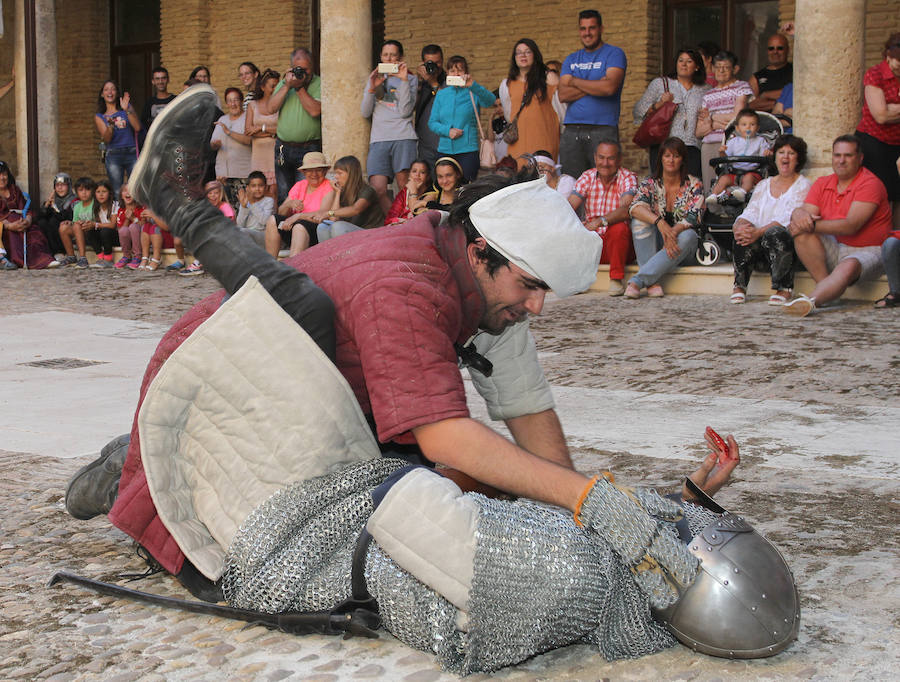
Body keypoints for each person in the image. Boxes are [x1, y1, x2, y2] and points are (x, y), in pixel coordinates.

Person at [65, 85, 738, 606]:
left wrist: (626, 510)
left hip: (317, 402)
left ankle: (131, 461)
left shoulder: (488, 291)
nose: (535, 306)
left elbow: (538, 441)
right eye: (531, 287)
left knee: (455, 487)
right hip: (222, 382)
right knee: (409, 486)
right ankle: (146, 457)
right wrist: (589, 498)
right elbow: (449, 440)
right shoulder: (404, 282)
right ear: (481, 252)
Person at [785, 135, 893, 317]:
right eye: (837, 155)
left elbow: (850, 226)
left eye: (848, 156)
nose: (841, 161)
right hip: (837, 246)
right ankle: (827, 291)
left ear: (860, 158)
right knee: (802, 234)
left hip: (870, 250)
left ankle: (811, 301)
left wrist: (808, 224)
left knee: (848, 265)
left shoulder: (870, 183)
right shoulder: (823, 183)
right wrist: (799, 215)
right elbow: (804, 211)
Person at [729, 134, 812, 305]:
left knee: (776, 232)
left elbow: (787, 218)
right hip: (760, 247)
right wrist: (740, 225)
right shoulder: (763, 185)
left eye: (791, 153)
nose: (785, 157)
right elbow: (750, 211)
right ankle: (739, 286)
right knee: (742, 231)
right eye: (781, 152)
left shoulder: (803, 184)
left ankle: (784, 287)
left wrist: (757, 232)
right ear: (775, 157)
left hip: (785, 249)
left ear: (799, 158)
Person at [624, 137, 703, 299]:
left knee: (688, 235)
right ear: (660, 158)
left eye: (676, 156)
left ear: (683, 159)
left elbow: (694, 217)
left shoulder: (695, 185)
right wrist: (660, 223)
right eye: (667, 156)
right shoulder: (650, 183)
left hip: (683, 247)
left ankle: (638, 281)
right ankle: (652, 282)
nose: (671, 160)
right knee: (639, 221)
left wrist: (673, 232)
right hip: (658, 242)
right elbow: (635, 208)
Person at [557, 9, 627, 179]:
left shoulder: (614, 53)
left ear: (601, 29)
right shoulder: (571, 59)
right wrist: (596, 84)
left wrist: (574, 81)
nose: (587, 33)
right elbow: (562, 95)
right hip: (572, 130)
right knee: (571, 184)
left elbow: (609, 88)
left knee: (605, 182)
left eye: (592, 28)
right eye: (583, 28)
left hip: (603, 129)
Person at [568, 141, 638, 295]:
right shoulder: (587, 176)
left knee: (619, 228)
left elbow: (627, 209)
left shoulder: (627, 177)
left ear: (619, 159)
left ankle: (616, 280)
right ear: (595, 158)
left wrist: (600, 221)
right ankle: (572, 278)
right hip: (592, 244)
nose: (605, 163)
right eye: (601, 157)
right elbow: (568, 207)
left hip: (619, 246)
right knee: (568, 228)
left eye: (610, 158)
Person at [361, 40, 418, 214]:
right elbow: (365, 112)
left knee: (404, 185)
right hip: (379, 138)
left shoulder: (411, 78)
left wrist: (404, 81)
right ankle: (394, 219)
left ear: (400, 57)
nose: (389, 58)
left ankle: (408, 221)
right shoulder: (374, 77)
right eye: (386, 55)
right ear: (381, 57)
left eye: (393, 55)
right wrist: (372, 88)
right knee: (377, 189)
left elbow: (405, 111)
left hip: (403, 136)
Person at [634, 48, 709, 179]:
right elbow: (639, 111)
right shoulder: (660, 84)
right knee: (662, 187)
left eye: (689, 61)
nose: (684, 64)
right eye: (681, 61)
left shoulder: (706, 89)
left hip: (692, 146)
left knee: (691, 187)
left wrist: (707, 116)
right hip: (664, 146)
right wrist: (660, 103)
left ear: (697, 66)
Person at [267, 48, 323, 204]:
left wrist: (298, 87)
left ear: (313, 66)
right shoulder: (285, 83)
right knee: (284, 194)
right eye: (299, 69)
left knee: (305, 194)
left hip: (308, 149)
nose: (302, 73)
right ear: (291, 67)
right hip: (282, 148)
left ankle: (300, 226)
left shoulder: (319, 83)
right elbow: (270, 108)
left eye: (306, 69)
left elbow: (315, 111)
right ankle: (284, 227)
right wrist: (286, 85)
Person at [428, 55, 496, 182]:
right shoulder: (442, 94)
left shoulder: (473, 91)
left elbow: (490, 101)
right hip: (445, 149)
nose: (456, 74)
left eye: (460, 70)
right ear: (447, 73)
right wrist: (447, 131)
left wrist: (473, 85)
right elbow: (432, 122)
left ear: (466, 73)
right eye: (452, 71)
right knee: (445, 185)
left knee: (467, 187)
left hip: (468, 150)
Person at [855, 32, 900, 224]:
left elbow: (886, 111)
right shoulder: (876, 74)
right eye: (897, 61)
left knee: (898, 195)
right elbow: (880, 115)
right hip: (874, 142)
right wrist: (886, 111)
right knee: (879, 194)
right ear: (888, 56)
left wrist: (893, 110)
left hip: (897, 144)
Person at [499, 39, 564, 168]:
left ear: (535, 54)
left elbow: (562, 111)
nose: (523, 55)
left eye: (527, 52)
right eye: (519, 53)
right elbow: (508, 114)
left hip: (544, 140)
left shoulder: (549, 78)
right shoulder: (507, 84)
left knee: (543, 176)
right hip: (518, 142)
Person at [696, 50, 753, 192]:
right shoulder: (707, 95)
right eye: (718, 67)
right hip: (709, 144)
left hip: (732, 143)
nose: (721, 71)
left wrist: (713, 118)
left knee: (732, 184)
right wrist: (719, 122)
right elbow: (699, 131)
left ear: (735, 69)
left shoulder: (742, 87)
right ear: (713, 68)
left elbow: (738, 118)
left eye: (726, 67)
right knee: (710, 186)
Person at [264, 151, 333, 257]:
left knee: (299, 226)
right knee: (273, 220)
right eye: (310, 170)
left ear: (324, 172)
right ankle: (270, 263)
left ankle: (294, 268)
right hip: (296, 226)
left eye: (318, 170)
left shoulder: (328, 186)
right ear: (304, 172)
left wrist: (298, 216)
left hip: (317, 230)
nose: (314, 174)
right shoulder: (300, 185)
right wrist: (289, 204)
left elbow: (322, 214)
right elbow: (281, 212)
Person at [706, 108, 772, 207]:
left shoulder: (760, 141)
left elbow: (764, 156)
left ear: (757, 128)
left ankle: (743, 192)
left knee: (748, 178)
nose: (748, 127)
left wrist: (767, 153)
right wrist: (722, 152)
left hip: (753, 172)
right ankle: (715, 195)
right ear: (737, 128)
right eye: (744, 125)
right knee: (723, 179)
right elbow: (725, 158)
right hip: (734, 172)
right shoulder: (733, 142)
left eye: (752, 125)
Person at [315, 155, 385, 242]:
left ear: (351, 174)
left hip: (371, 233)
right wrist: (337, 193)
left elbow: (356, 209)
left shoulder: (368, 190)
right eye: (335, 173)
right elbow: (334, 219)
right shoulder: (342, 192)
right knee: (323, 227)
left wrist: (329, 213)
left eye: (339, 173)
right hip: (352, 232)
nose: (336, 177)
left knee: (338, 226)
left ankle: (342, 255)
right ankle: (329, 255)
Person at [0, 160, 53, 270]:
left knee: (35, 232)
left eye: (4, 174)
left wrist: (28, 220)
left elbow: (25, 208)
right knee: (13, 235)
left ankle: (45, 259)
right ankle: (21, 261)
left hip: (22, 223)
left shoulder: (14, 190)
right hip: (6, 228)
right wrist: (9, 225)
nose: (2, 178)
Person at [94, 80, 141, 198]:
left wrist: (127, 110)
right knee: (116, 190)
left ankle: (135, 215)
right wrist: (110, 126)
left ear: (116, 93)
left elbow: (137, 127)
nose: (110, 92)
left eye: (112, 89)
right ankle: (119, 215)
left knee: (135, 188)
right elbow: (107, 139)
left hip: (131, 151)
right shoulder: (100, 116)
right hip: (114, 154)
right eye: (106, 89)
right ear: (102, 94)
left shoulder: (126, 108)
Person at [210, 87, 253, 211]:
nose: (233, 104)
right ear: (226, 103)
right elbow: (212, 144)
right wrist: (215, 145)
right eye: (229, 101)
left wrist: (228, 132)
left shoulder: (247, 118)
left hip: (243, 173)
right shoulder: (222, 119)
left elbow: (249, 140)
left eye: (236, 100)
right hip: (223, 175)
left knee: (244, 209)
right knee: (227, 210)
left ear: (241, 101)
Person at [244, 69, 280, 199]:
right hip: (259, 155)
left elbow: (281, 130)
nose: (276, 88)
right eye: (272, 86)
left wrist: (260, 128)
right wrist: (271, 132)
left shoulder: (280, 105)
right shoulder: (252, 105)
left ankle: (274, 218)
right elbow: (248, 131)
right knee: (259, 191)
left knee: (275, 191)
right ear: (263, 87)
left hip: (275, 153)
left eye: (277, 85)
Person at [414, 44, 446, 171]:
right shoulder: (419, 82)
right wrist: (418, 85)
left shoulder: (449, 81)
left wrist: (432, 82)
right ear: (423, 63)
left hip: (445, 143)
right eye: (430, 63)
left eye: (438, 63)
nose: (434, 67)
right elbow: (411, 107)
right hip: (425, 144)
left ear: (442, 62)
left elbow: (446, 104)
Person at [36, 172, 76, 265]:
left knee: (54, 221)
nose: (60, 188)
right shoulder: (52, 201)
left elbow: (65, 217)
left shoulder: (74, 201)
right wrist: (46, 206)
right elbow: (39, 217)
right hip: (53, 235)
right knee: (42, 222)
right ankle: (48, 252)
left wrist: (54, 207)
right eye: (57, 185)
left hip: (67, 230)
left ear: (69, 186)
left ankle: (60, 252)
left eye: (63, 185)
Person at [748, 34, 792, 112]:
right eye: (771, 48)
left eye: (780, 48)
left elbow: (796, 92)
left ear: (788, 50)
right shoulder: (756, 78)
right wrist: (782, 102)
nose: (775, 52)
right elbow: (751, 105)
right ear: (767, 51)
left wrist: (766, 95)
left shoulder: (795, 72)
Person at [59, 177, 95, 269]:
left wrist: (88, 223)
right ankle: (71, 256)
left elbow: (98, 220)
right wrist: (70, 223)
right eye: (81, 190)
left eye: (87, 189)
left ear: (92, 190)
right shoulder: (77, 206)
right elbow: (75, 222)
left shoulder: (95, 204)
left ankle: (83, 258)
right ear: (76, 192)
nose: (84, 192)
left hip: (92, 231)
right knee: (63, 227)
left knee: (77, 225)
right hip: (80, 232)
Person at [384, 159, 432, 225]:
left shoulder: (431, 194)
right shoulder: (404, 193)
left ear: (428, 177)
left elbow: (418, 219)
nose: (417, 175)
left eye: (422, 172)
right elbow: (390, 218)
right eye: (414, 171)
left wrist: (413, 192)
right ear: (409, 175)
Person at [236, 171, 275, 248]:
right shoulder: (246, 201)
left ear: (266, 187)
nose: (257, 189)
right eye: (253, 186)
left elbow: (264, 221)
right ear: (248, 188)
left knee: (243, 232)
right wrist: (243, 207)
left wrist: (253, 203)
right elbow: (240, 224)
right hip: (247, 234)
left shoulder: (269, 201)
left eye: (260, 186)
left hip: (262, 236)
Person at [87, 179, 118, 268]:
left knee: (105, 231)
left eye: (104, 191)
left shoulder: (115, 205)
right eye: (98, 192)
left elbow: (112, 225)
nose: (101, 194)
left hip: (115, 236)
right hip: (104, 236)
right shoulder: (97, 207)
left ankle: (108, 259)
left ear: (109, 193)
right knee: (90, 231)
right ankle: (101, 257)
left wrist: (96, 224)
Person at [115, 184, 145, 269]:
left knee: (133, 226)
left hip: (141, 238)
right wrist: (128, 219)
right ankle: (126, 256)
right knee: (124, 230)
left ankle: (137, 256)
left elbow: (144, 225)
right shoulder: (121, 210)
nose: (128, 193)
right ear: (121, 195)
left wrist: (133, 218)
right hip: (128, 240)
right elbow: (121, 230)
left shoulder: (141, 208)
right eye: (125, 191)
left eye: (131, 190)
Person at [140, 67, 175, 138]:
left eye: (163, 78)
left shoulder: (176, 100)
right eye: (157, 79)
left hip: (174, 141)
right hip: (155, 142)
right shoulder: (149, 103)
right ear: (153, 81)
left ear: (168, 80)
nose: (161, 82)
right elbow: (143, 125)